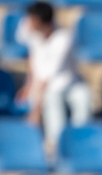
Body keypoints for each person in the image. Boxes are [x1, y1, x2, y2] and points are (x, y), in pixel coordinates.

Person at [17, 2, 92, 154]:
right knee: (53, 103)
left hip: (70, 85)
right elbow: (32, 57)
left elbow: (47, 77)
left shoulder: (63, 39)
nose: (29, 23)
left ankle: (79, 144)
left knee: (83, 100)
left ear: (44, 23)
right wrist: (29, 85)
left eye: (33, 20)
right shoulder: (29, 30)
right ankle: (56, 145)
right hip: (47, 87)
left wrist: (36, 108)